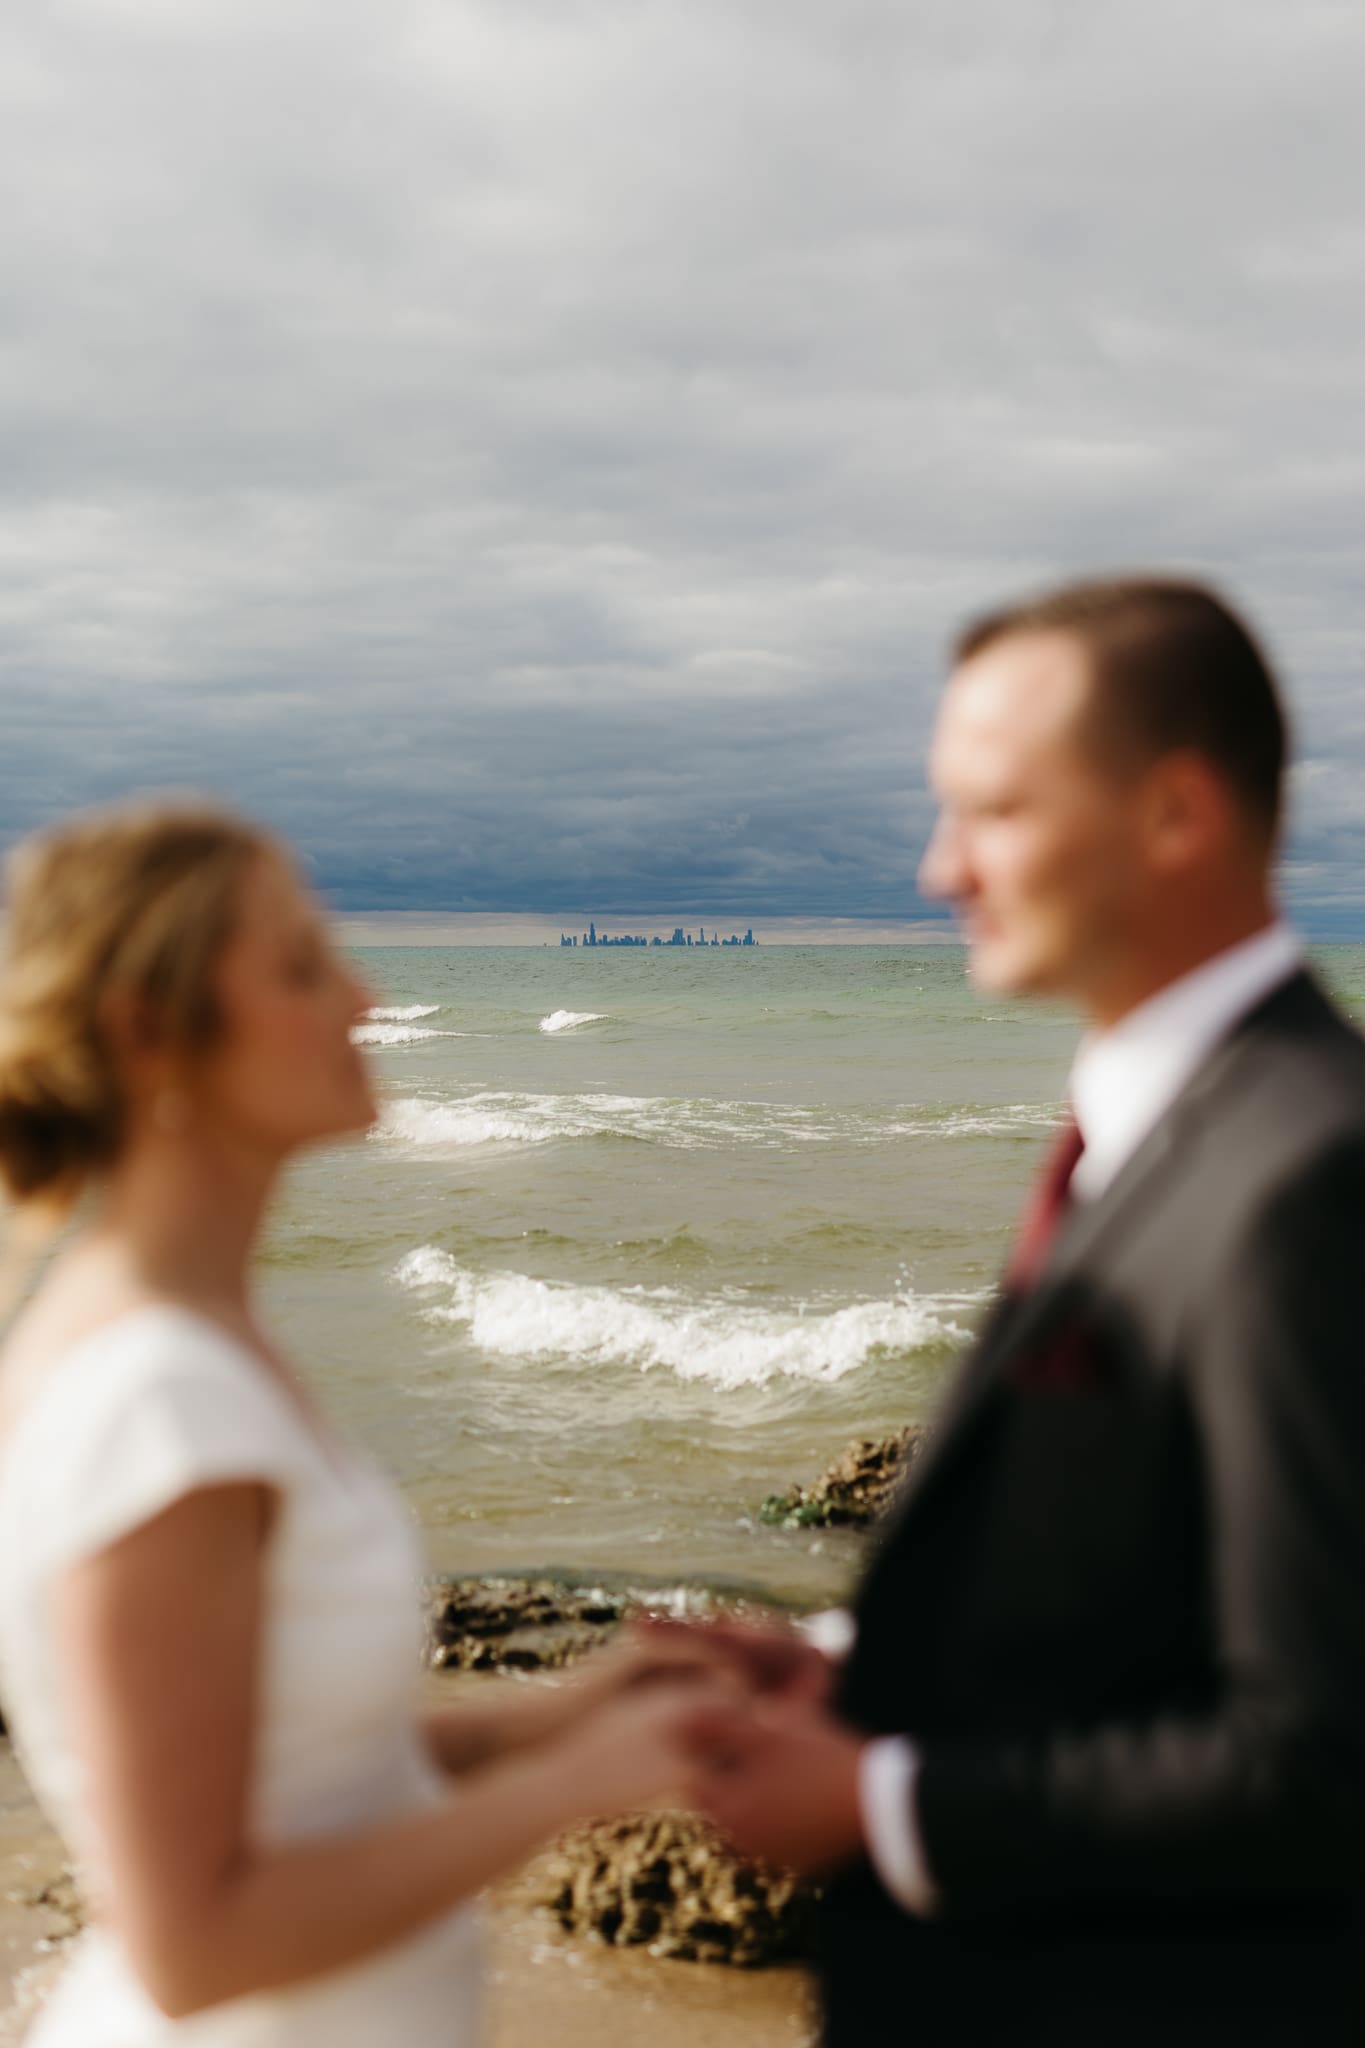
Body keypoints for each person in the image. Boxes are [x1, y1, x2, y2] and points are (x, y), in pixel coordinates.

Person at [677, 578, 1365, 2045]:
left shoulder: (1310, 1170)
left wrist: (879, 1801)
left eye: (993, 813)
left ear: (1176, 814)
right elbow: (1153, 1595)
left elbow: (1322, 1752)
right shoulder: (1167, 1130)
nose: (940, 870)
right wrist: (873, 1671)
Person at [0, 800, 719, 2046]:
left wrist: (572, 1710)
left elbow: (304, 1771)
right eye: (299, 964)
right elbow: (194, 1943)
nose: (362, 996)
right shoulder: (155, 1395)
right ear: (149, 1032)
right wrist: (573, 1786)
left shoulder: (186, 1340)